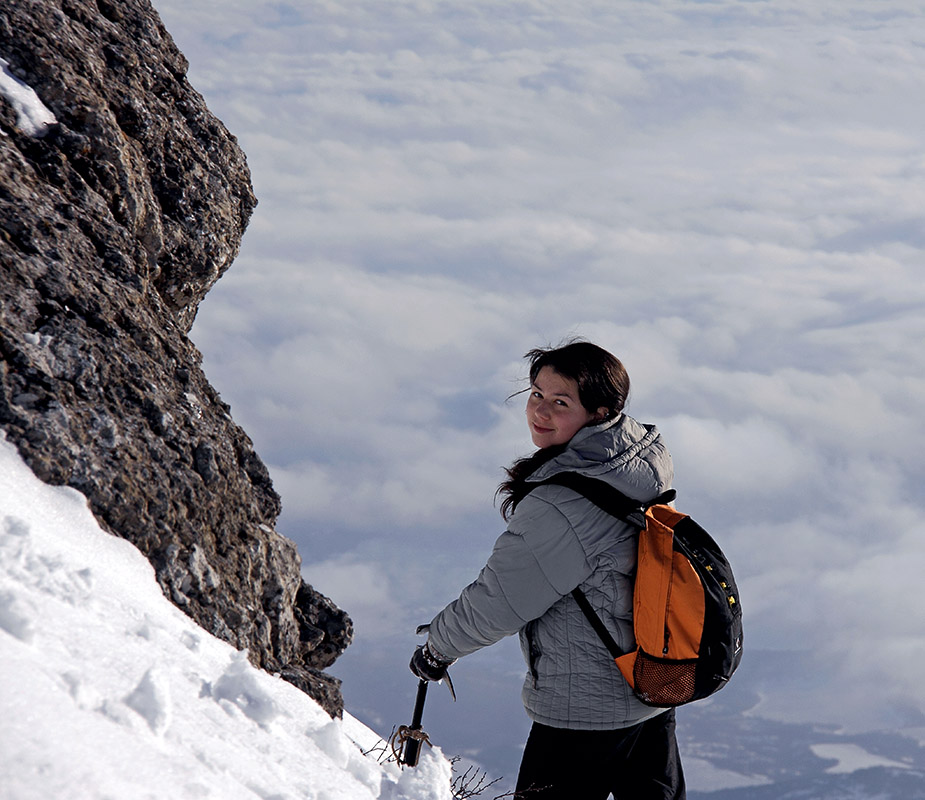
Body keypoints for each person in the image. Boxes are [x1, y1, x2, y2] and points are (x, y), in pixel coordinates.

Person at [409, 340, 685, 799]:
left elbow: (500, 601)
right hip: (651, 686)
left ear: (599, 413)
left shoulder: (563, 506)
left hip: (586, 708)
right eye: (536, 394)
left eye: (561, 402)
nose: (541, 411)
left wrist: (437, 649)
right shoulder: (635, 462)